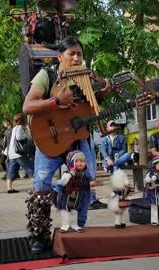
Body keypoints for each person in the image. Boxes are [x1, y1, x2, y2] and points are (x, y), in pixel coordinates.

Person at [22, 36, 111, 253]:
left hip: (76, 138)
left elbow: (85, 110)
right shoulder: (47, 75)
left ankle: (78, 229)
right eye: (71, 53)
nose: (76, 58)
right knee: (41, 184)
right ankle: (39, 234)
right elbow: (28, 106)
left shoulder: (85, 79)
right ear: (60, 56)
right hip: (49, 138)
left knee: (84, 183)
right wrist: (56, 101)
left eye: (79, 54)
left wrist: (100, 95)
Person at [6, 113, 35, 193]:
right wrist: (26, 136)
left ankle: (9, 188)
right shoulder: (19, 127)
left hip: (12, 153)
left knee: (11, 171)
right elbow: (19, 137)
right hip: (19, 153)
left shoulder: (14, 128)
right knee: (30, 169)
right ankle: (36, 187)